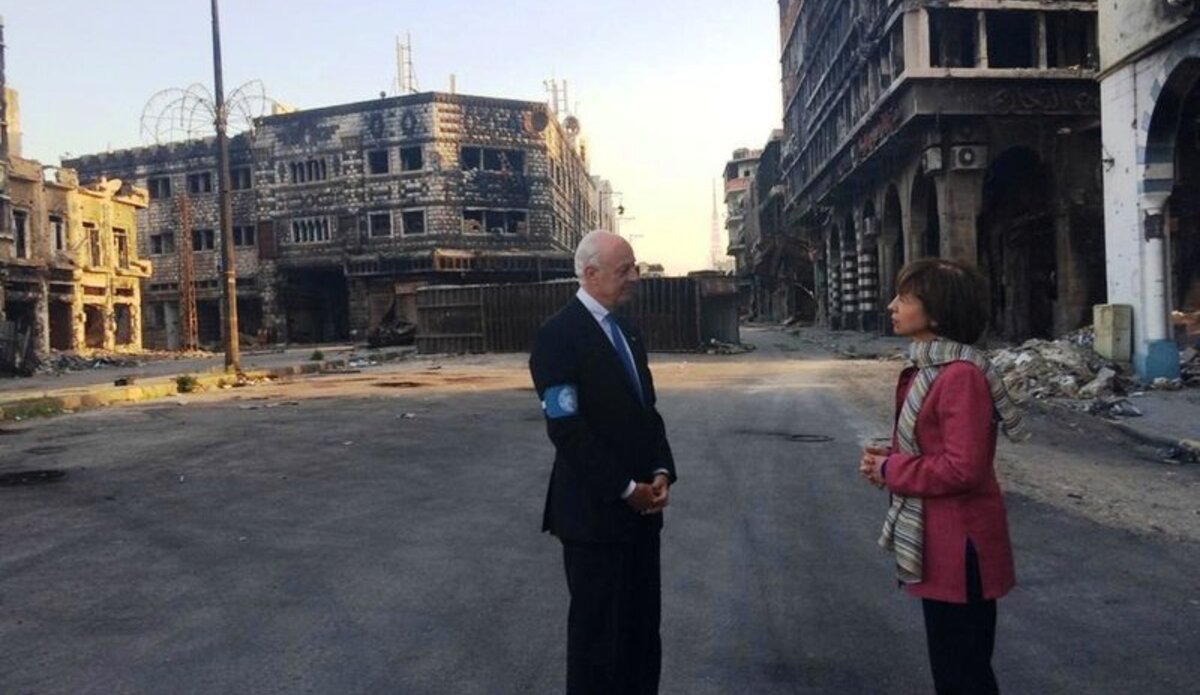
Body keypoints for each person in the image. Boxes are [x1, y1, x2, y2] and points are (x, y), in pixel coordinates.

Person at [859, 258, 1027, 695]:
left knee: (963, 674)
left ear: (935, 313)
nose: (892, 305)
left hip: (961, 547)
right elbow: (934, 448)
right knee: (954, 668)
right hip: (941, 542)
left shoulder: (960, 377)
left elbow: (963, 467)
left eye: (905, 298)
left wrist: (894, 468)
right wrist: (889, 458)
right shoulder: (929, 369)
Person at [529, 230, 678, 695]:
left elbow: (645, 412)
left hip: (642, 517)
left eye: (634, 267)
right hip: (594, 518)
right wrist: (624, 489)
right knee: (598, 644)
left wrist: (660, 470)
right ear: (590, 274)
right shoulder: (558, 336)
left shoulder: (627, 330)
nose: (635, 277)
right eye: (624, 270)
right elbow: (567, 430)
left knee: (640, 637)